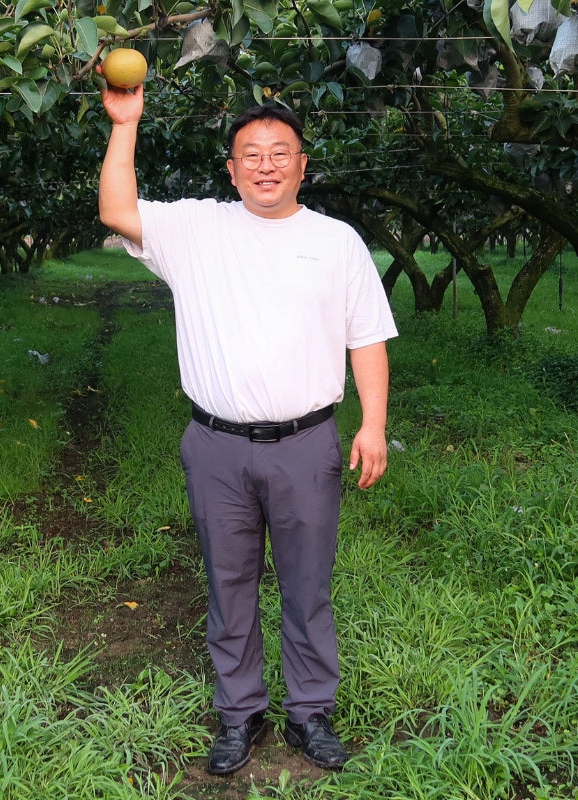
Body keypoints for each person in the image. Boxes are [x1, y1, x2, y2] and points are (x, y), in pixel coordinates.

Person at [96, 77, 397, 776]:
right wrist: (125, 123)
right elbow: (116, 207)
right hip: (216, 447)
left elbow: (368, 340)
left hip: (306, 444)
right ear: (231, 170)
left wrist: (372, 423)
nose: (266, 164)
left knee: (307, 585)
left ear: (302, 165)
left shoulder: (336, 242)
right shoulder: (197, 229)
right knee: (228, 586)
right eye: (251, 154)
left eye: (280, 152)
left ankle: (310, 712)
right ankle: (239, 715)